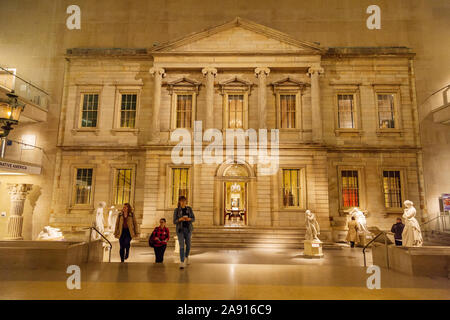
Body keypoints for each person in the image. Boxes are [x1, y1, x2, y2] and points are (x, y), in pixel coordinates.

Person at [173, 195, 195, 269]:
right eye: (181, 201)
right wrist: (180, 219)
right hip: (180, 230)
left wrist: (189, 219)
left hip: (188, 229)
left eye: (184, 201)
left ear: (186, 201)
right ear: (179, 202)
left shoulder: (189, 209)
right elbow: (174, 221)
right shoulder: (177, 210)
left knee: (188, 245)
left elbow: (193, 218)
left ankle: (186, 257)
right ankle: (182, 262)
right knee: (182, 245)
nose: (183, 202)